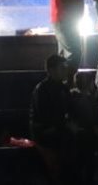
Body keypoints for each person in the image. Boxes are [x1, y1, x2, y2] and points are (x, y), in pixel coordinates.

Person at [29, 54, 74, 183]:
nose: (65, 71)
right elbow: (45, 117)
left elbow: (70, 108)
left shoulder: (63, 88)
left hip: (57, 127)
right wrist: (65, 125)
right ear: (51, 70)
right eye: (62, 68)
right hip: (45, 131)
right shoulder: (42, 89)